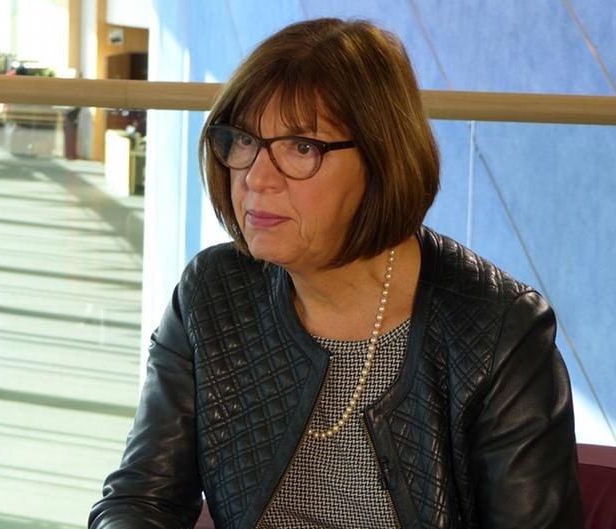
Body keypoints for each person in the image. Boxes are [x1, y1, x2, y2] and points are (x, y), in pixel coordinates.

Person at [89, 18, 583, 529]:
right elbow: (140, 499)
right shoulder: (214, 292)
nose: (256, 177)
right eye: (244, 141)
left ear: (381, 161)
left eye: (301, 147)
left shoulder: (500, 333)